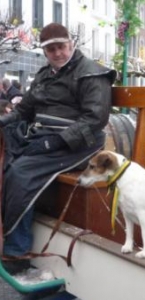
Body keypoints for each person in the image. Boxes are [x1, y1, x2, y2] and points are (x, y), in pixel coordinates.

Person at [0, 23, 116, 275]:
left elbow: (95, 119)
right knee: (6, 162)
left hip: (78, 144)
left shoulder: (91, 73)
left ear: (71, 44)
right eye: (51, 49)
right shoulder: (44, 75)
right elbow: (23, 110)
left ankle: (16, 251)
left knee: (20, 173)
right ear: (44, 52)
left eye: (61, 47)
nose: (57, 53)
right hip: (44, 136)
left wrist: (58, 141)